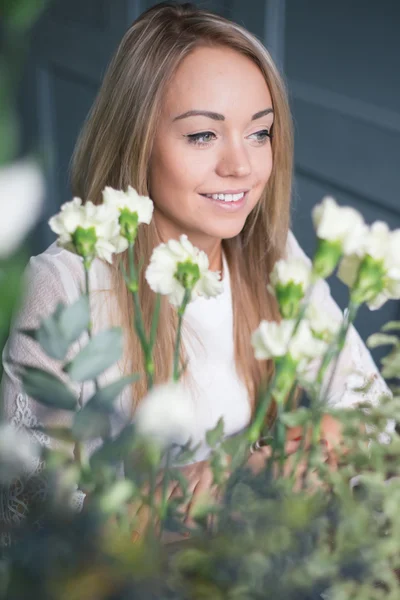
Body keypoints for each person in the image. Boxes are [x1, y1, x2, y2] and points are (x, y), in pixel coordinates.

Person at [0, 1, 390, 542]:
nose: (242, 165)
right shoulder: (66, 287)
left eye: (260, 133)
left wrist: (328, 435)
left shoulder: (274, 256)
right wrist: (207, 487)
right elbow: (27, 518)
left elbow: (373, 411)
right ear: (137, 140)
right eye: (203, 135)